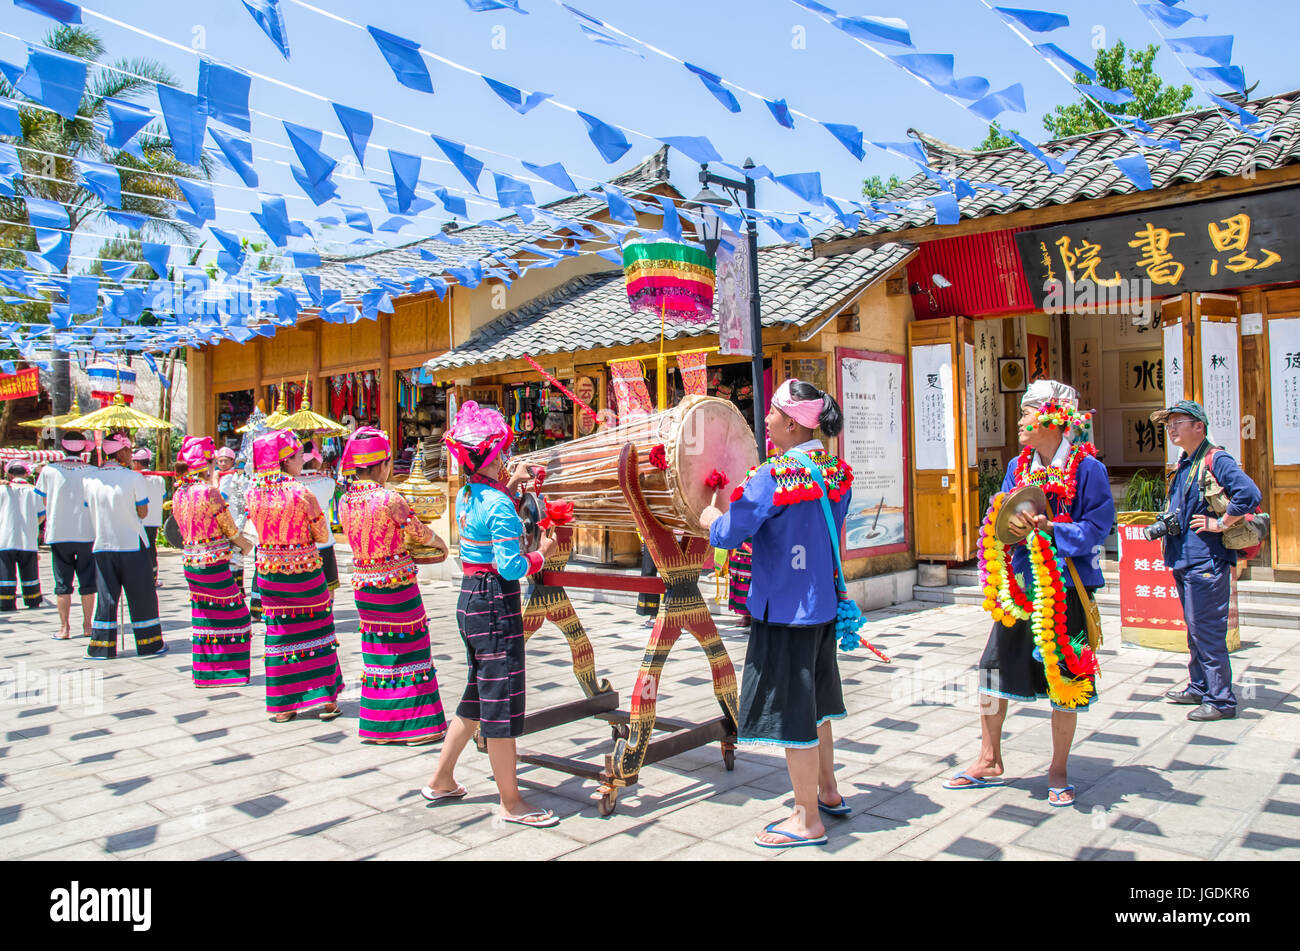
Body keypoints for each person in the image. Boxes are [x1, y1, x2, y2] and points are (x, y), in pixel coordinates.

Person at [700, 379, 854, 849]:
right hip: (821, 606)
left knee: (792, 715)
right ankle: (827, 791)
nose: (764, 420)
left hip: (785, 610)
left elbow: (730, 533)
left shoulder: (773, 476)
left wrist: (710, 520)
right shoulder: (837, 471)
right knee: (818, 706)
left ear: (791, 422)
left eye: (770, 412)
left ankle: (807, 819)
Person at [950, 380, 1113, 807]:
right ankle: (989, 758)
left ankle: (1057, 769)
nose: (1019, 421)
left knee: (1066, 679)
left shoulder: (1087, 469)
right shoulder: (1018, 468)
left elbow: (1097, 530)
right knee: (990, 670)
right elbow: (1000, 515)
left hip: (1067, 592)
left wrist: (1051, 529)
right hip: (1023, 588)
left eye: (1025, 412)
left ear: (1052, 417)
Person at [421, 401, 559, 827]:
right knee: (500, 701)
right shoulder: (498, 504)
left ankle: (442, 779)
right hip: (495, 601)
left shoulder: (468, 494)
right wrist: (543, 553)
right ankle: (512, 801)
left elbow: (491, 513)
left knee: (478, 694)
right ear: (488, 457)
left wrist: (512, 487)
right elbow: (511, 566)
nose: (505, 461)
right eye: (500, 454)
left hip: (469, 599)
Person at [1153, 399, 1262, 722]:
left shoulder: (1216, 458)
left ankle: (1221, 699)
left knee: (1208, 631)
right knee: (1195, 628)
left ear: (1198, 426)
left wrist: (1222, 522)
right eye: (1168, 424)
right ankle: (1199, 686)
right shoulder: (1187, 461)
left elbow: (1249, 493)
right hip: (1185, 558)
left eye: (1177, 422)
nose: (1170, 428)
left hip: (1207, 560)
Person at [338, 426, 449, 745]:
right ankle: (418, 726)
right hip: (396, 585)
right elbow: (418, 532)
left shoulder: (346, 500)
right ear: (383, 464)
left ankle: (379, 726)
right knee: (411, 649)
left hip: (364, 586)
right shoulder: (388, 497)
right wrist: (441, 545)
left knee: (378, 653)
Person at [245, 429, 344, 722]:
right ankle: (326, 701)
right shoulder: (302, 492)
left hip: (269, 574)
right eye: (299, 455)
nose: (303, 458)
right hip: (304, 573)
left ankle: (283, 706)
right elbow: (321, 532)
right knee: (318, 630)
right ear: (286, 461)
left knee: (279, 634)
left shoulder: (253, 492)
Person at [171, 436, 255, 687]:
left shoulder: (179, 493)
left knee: (204, 615)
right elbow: (229, 528)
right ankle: (227, 672)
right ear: (207, 465)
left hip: (191, 562)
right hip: (212, 562)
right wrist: (247, 545)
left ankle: (205, 672)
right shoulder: (208, 491)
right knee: (237, 615)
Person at [83, 432, 166, 660]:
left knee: (106, 596)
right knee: (142, 595)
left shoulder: (90, 479)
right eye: (129, 450)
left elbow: (88, 507)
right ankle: (149, 643)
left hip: (102, 543)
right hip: (131, 543)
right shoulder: (133, 478)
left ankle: (101, 646)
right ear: (121, 452)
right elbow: (143, 511)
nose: (132, 455)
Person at [34, 431, 96, 638]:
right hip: (87, 532)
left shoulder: (49, 471)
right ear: (82, 448)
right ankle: (88, 626)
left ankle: (64, 628)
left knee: (62, 583)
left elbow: (41, 500)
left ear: (63, 447)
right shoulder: (93, 471)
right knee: (88, 582)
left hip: (59, 532)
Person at [295, 441, 339, 598]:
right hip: (323, 541)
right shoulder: (328, 482)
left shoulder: (291, 484)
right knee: (328, 585)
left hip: (299, 542)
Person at [0, 461, 44, 611]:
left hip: (5, 538)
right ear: (26, 474)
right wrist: (33, 525)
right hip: (28, 539)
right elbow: (42, 514)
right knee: (30, 571)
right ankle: (32, 599)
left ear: (9, 474)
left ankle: (6, 602)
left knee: (5, 573)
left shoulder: (2, 490)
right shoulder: (34, 490)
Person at [215, 446, 250, 595]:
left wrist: (214, 480)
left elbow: (219, 497)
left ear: (232, 462)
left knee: (234, 556)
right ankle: (238, 590)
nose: (223, 463)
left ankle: (234, 590)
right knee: (235, 557)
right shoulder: (229, 476)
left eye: (226, 461)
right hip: (232, 520)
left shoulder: (229, 477)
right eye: (220, 461)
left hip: (233, 521)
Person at [132, 447, 166, 588]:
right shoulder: (159, 478)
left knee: (138, 549)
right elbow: (163, 495)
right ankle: (153, 577)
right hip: (154, 519)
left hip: (139, 519)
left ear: (138, 463)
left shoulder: (135, 477)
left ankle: (139, 576)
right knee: (151, 548)